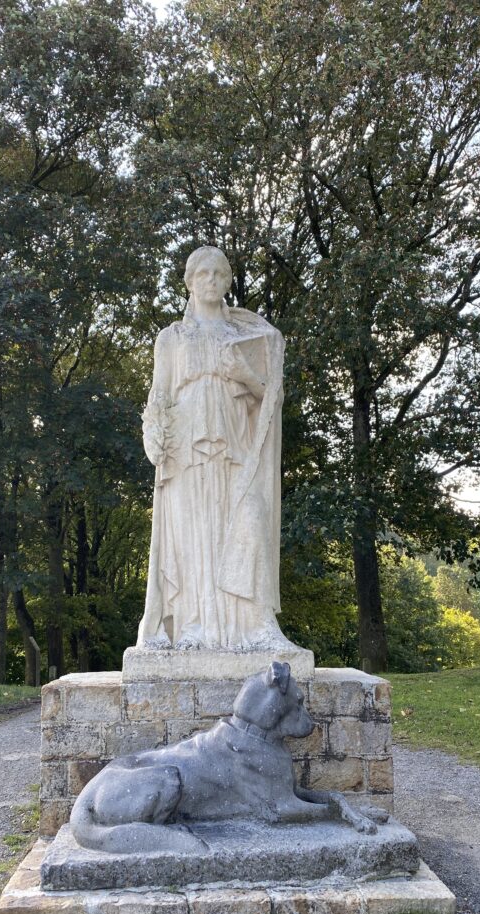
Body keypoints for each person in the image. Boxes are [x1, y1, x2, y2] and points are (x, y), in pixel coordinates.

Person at [137, 245, 293, 651]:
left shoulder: (247, 337)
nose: (211, 279)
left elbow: (270, 398)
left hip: (236, 443)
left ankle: (256, 628)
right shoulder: (171, 338)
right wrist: (153, 436)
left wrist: (245, 374)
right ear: (189, 281)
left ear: (227, 282)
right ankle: (193, 627)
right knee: (191, 537)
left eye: (219, 273)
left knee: (248, 522)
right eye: (203, 273)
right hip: (186, 447)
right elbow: (159, 395)